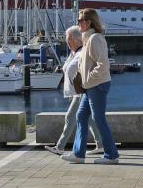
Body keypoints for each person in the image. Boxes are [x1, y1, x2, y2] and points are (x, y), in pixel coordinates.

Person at [61, 8, 119, 164]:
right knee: (81, 116)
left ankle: (111, 155)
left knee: (99, 119)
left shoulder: (95, 39)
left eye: (80, 20)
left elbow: (103, 64)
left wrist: (89, 78)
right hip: (91, 86)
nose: (78, 23)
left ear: (88, 22)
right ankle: (78, 154)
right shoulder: (88, 39)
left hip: (97, 85)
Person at [44, 26, 103, 155]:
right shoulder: (74, 52)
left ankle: (60, 147)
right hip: (77, 92)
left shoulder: (83, 52)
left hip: (81, 91)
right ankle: (101, 144)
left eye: (68, 39)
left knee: (70, 117)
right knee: (89, 119)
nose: (66, 42)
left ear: (75, 39)